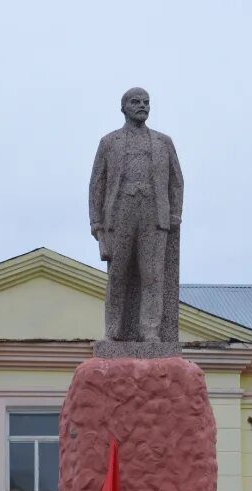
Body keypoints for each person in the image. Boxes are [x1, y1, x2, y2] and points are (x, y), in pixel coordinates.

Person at [88, 86, 184, 343]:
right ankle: (113, 330)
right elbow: (97, 183)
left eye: (146, 102)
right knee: (118, 273)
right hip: (120, 213)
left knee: (152, 275)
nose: (142, 106)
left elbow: (176, 181)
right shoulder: (109, 142)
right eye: (135, 102)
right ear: (124, 108)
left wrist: (175, 215)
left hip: (153, 215)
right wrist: (97, 224)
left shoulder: (164, 142)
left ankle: (150, 330)